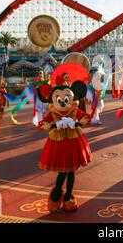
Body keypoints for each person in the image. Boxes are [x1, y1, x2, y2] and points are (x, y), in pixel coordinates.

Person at [37, 75, 91, 213]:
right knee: (63, 171)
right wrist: (53, 126)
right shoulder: (53, 113)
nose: (62, 103)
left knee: (71, 171)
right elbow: (42, 123)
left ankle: (67, 196)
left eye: (66, 99)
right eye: (59, 100)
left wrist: (77, 123)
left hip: (73, 143)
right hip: (59, 144)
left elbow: (86, 117)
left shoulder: (74, 111)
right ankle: (57, 192)